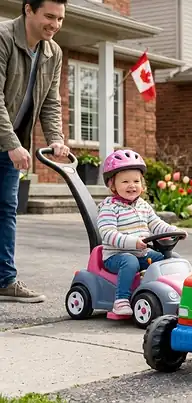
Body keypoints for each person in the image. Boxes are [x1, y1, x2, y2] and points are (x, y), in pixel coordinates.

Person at [0, 0, 69, 303]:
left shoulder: (53, 52)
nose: (55, 25)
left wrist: (56, 138)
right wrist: (12, 143)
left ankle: (4, 280)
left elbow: (51, 101)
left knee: (6, 209)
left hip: (12, 144)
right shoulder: (3, 37)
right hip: (9, 140)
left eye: (60, 19)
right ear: (28, 10)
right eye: (49, 17)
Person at [97, 149, 187, 316]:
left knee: (169, 259)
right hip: (116, 256)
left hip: (141, 253)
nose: (132, 185)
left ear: (142, 184)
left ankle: (177, 292)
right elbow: (107, 233)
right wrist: (133, 242)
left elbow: (156, 224)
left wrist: (174, 231)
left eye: (136, 181)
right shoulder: (109, 207)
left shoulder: (143, 205)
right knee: (130, 261)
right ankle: (121, 300)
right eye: (125, 181)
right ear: (112, 185)